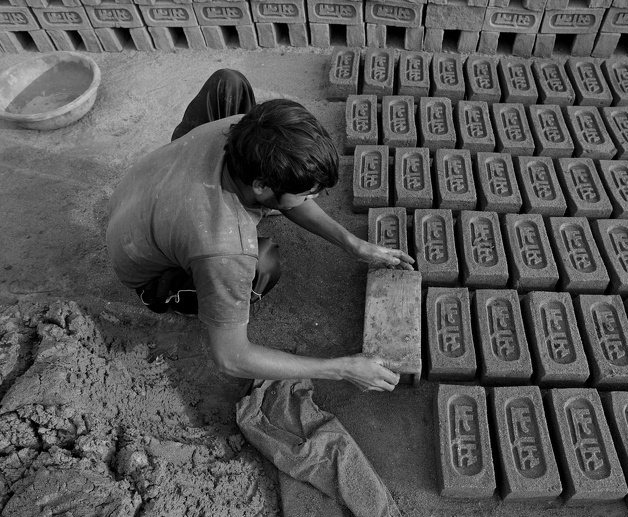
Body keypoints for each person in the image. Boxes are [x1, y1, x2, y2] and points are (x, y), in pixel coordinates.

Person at [106, 69, 414, 392]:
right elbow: (231, 357)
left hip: (141, 193)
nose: (316, 199)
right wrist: (342, 369)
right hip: (143, 265)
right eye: (308, 194)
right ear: (261, 186)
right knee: (263, 264)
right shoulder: (224, 250)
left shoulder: (243, 129)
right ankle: (172, 291)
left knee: (230, 84)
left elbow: (287, 197)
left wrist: (353, 245)